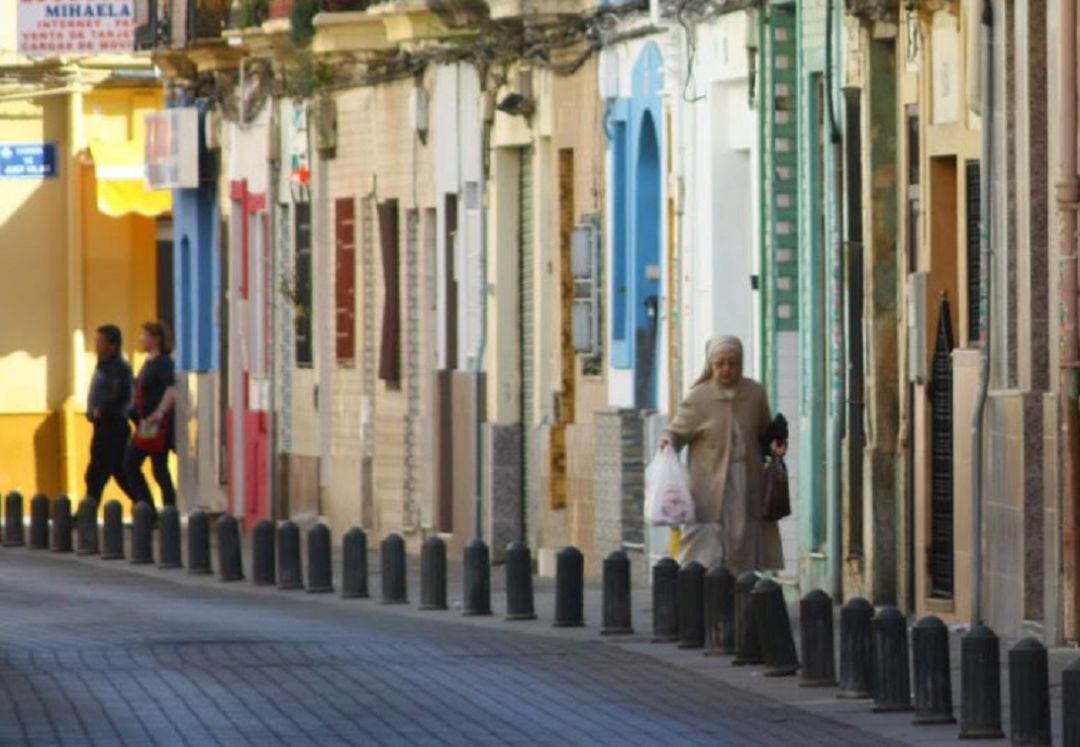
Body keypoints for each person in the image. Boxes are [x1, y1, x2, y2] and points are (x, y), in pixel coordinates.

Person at [657, 336, 787, 573]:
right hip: (710, 484)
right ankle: (703, 600)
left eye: (733, 363)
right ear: (711, 366)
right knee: (706, 551)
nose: (727, 369)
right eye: (720, 364)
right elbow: (676, 432)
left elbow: (764, 433)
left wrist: (775, 445)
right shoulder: (699, 397)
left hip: (747, 482)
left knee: (742, 544)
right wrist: (668, 443)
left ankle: (740, 595)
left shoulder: (754, 393)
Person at [123, 321, 177, 513]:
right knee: (159, 468)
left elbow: (171, 389)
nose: (141, 339)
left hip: (154, 424)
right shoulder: (149, 362)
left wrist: (159, 413)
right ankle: (163, 509)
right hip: (145, 422)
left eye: (144, 335)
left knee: (131, 463)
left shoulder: (164, 363)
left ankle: (152, 509)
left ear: (156, 339)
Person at [85, 324, 135, 506]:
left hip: (114, 426)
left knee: (107, 472)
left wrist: (102, 409)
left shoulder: (119, 368)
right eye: (96, 341)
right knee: (100, 473)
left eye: (100, 342)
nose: (96, 345)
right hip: (102, 426)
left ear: (112, 346)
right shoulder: (103, 366)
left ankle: (146, 507)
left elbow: (120, 394)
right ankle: (88, 510)